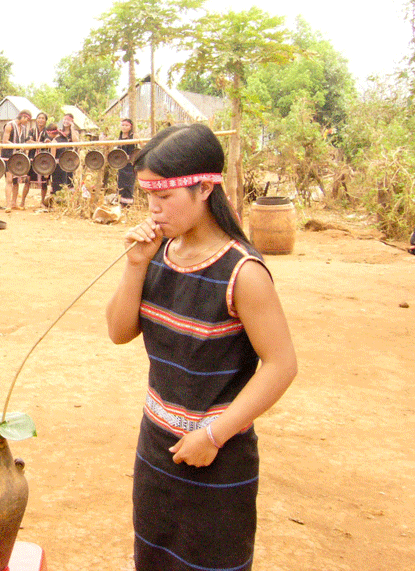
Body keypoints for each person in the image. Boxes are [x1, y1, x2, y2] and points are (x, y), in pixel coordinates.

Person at [105, 123, 297, 571]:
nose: (154, 209)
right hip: (156, 446)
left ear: (205, 189)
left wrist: (213, 436)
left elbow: (281, 365)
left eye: (165, 196)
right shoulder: (157, 253)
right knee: (154, 558)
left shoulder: (243, 273)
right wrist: (135, 265)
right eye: (148, 196)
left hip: (218, 457)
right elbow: (118, 331)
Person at [1, 109, 32, 212]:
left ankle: (14, 203)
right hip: (8, 156)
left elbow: (23, 142)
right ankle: (8, 204)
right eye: (27, 119)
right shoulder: (9, 125)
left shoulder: (23, 128)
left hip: (18, 157)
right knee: (9, 180)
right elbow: (5, 141)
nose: (27, 122)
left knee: (16, 181)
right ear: (23, 117)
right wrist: (17, 146)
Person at [23, 111, 50, 209]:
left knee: (44, 183)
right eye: (39, 118)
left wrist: (34, 143)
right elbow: (27, 141)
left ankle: (42, 202)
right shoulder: (32, 130)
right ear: (36, 120)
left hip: (43, 159)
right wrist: (39, 143)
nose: (40, 120)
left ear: (46, 121)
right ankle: (22, 202)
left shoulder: (47, 132)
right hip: (32, 158)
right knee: (27, 180)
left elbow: (48, 142)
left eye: (43, 118)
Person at [115, 118, 137, 208]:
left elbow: (141, 146)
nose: (124, 127)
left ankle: (128, 205)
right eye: (123, 125)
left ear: (130, 127)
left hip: (131, 164)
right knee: (121, 184)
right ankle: (121, 204)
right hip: (121, 164)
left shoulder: (134, 136)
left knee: (129, 184)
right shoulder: (119, 137)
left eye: (126, 125)